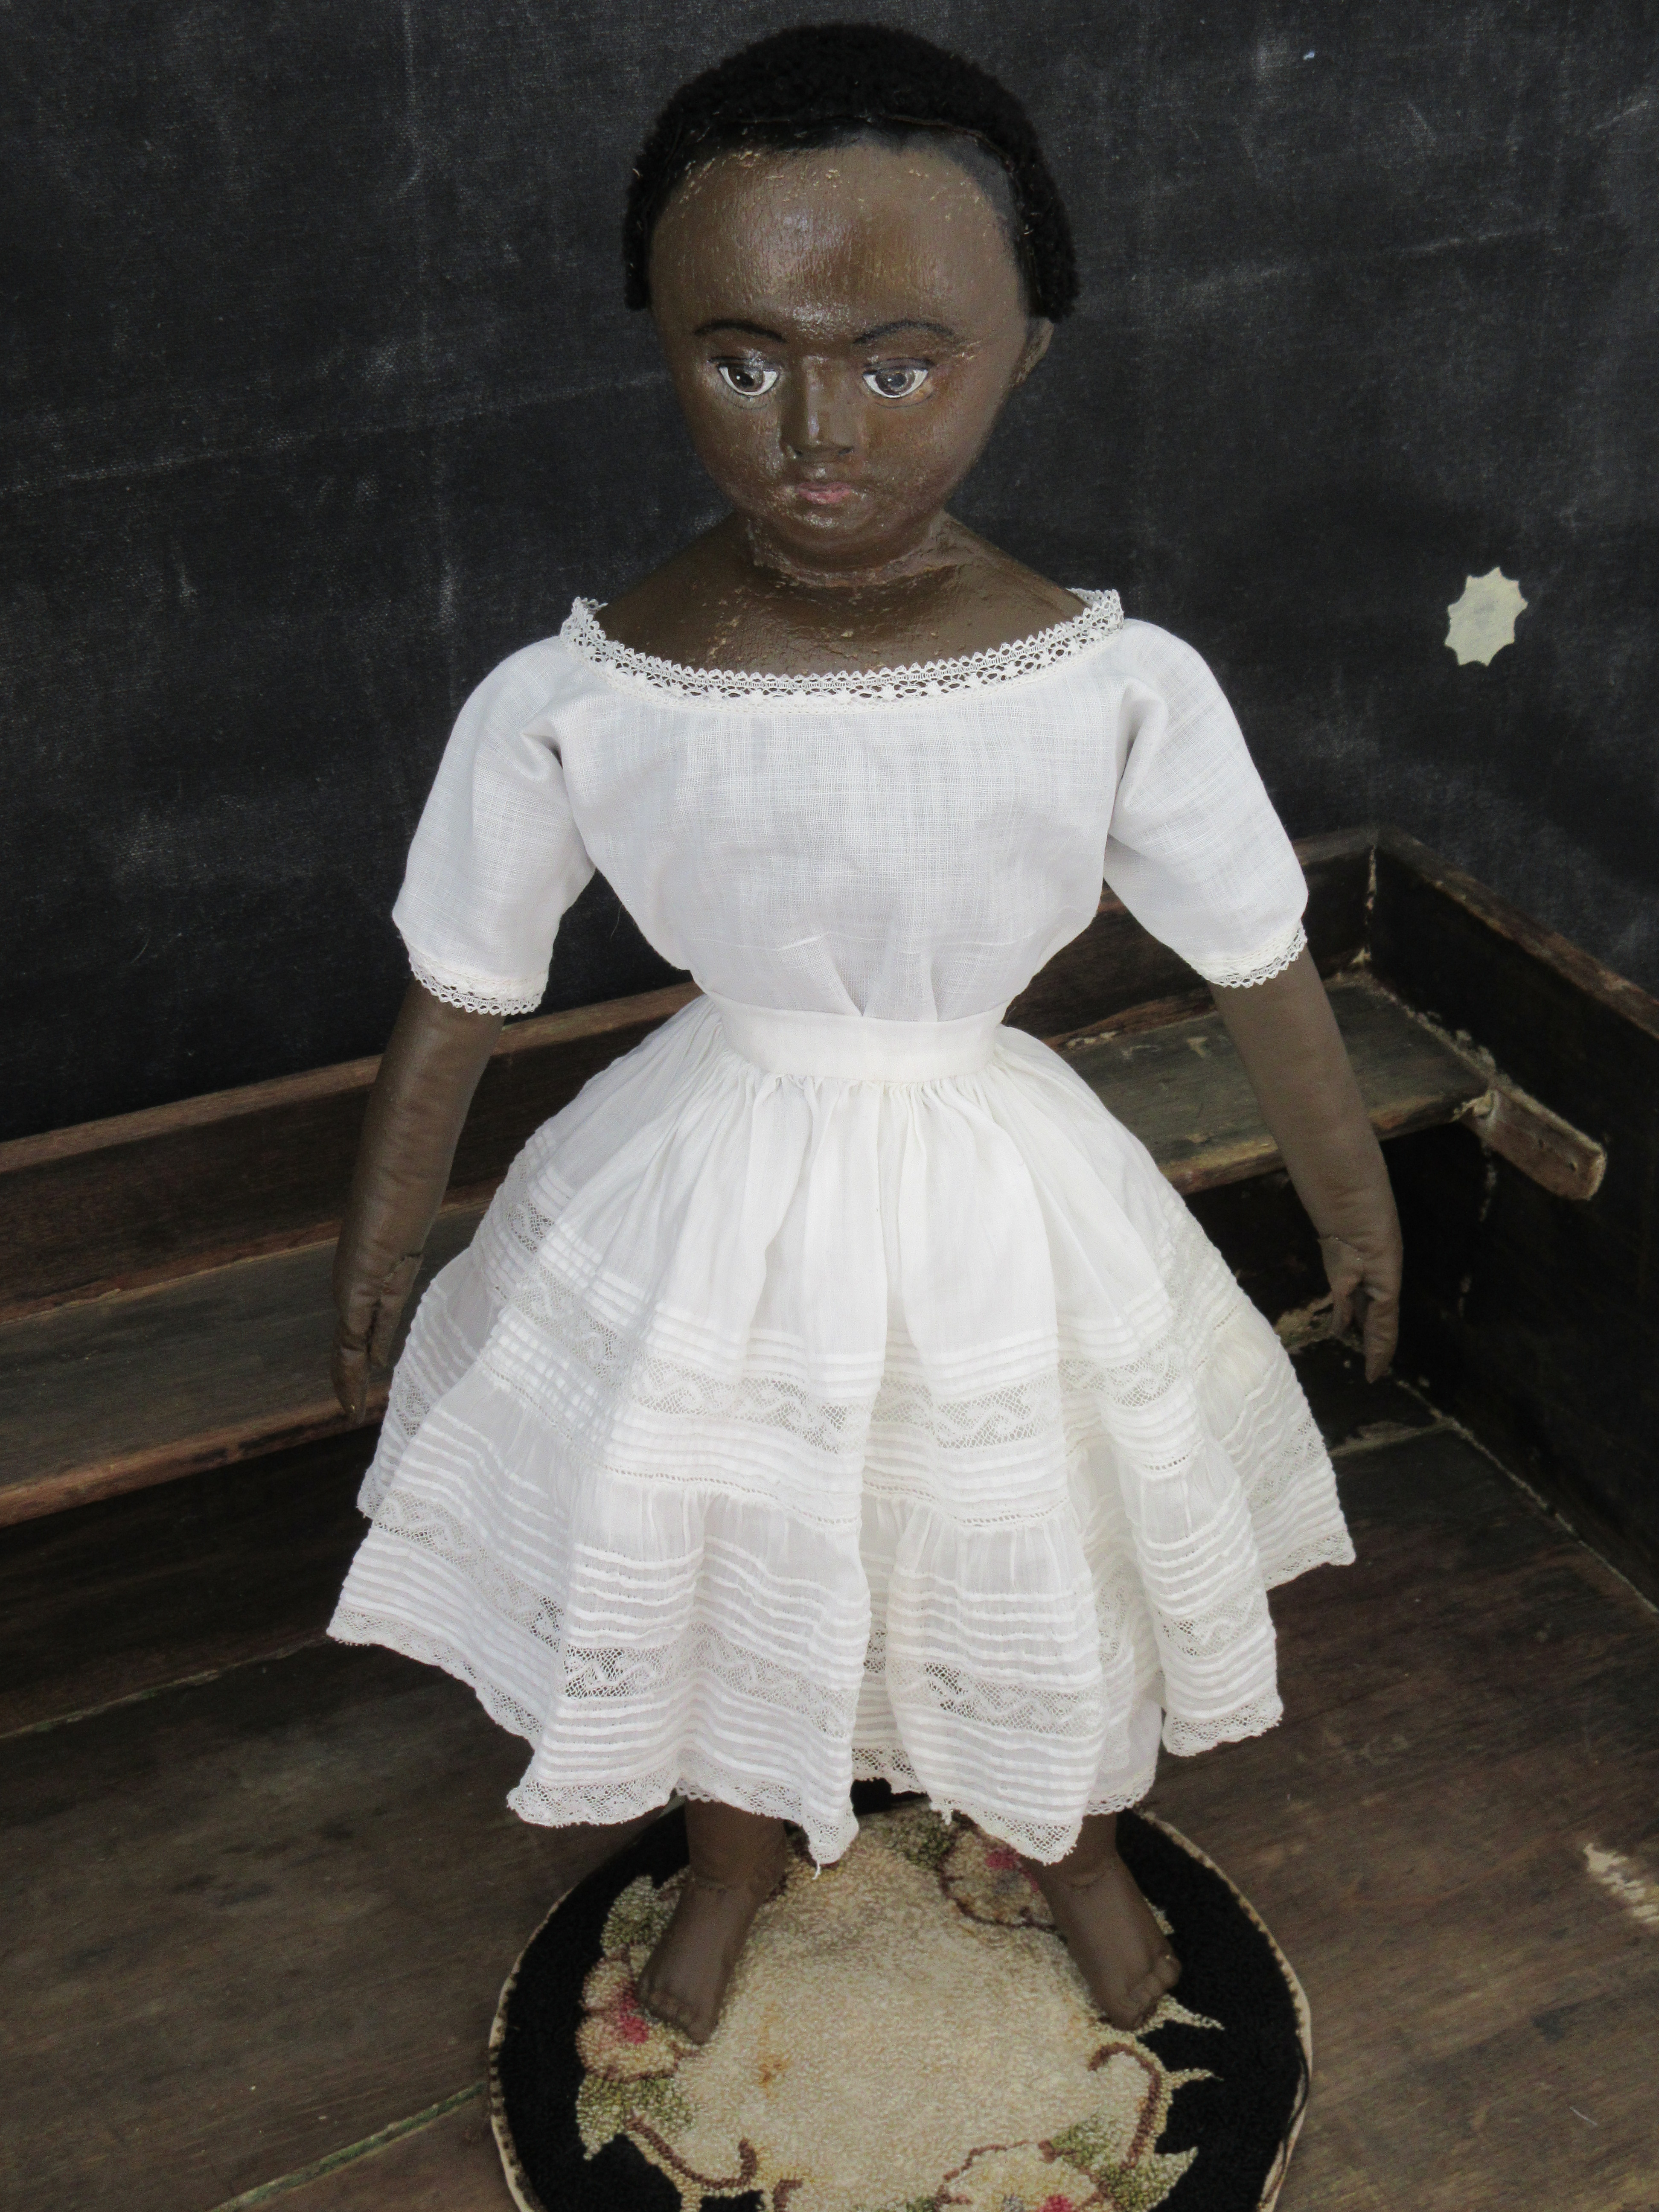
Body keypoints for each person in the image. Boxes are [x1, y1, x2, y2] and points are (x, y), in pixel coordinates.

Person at [327, 23, 1400, 2049]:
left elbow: (1259, 960)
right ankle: (734, 1850)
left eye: (901, 364)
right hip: (707, 1180)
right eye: (742, 362)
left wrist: (1354, 1202)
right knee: (721, 1524)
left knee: (1017, 1512)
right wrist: (384, 1236)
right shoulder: (581, 697)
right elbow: (466, 979)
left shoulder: (1116, 689)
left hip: (991, 1183)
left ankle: (1070, 1833)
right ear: (666, 344)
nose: (818, 431)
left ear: (1024, 350)